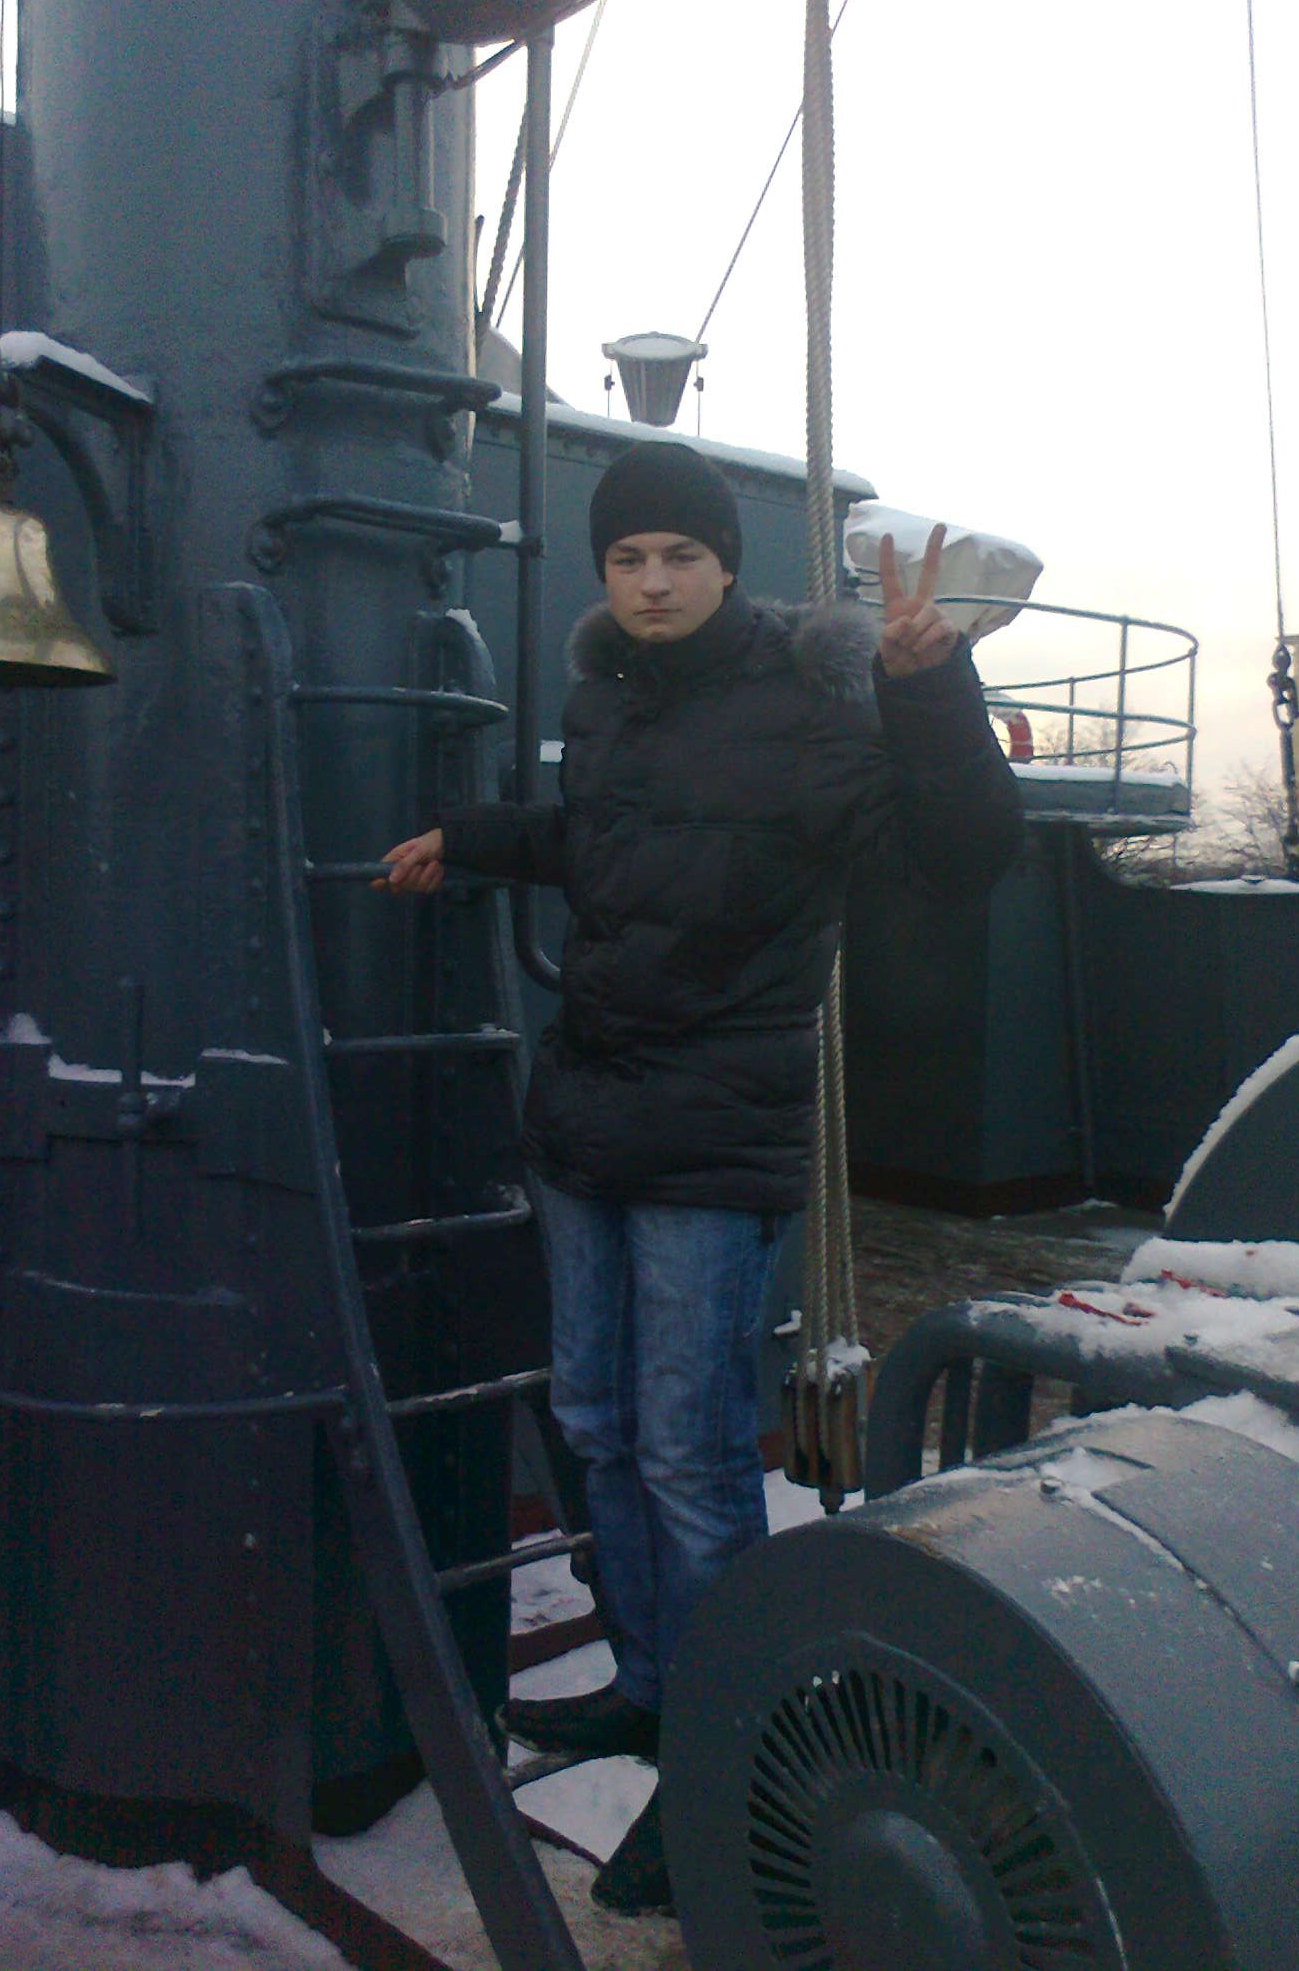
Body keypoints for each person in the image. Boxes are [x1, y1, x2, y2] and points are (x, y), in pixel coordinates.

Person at [378, 441, 1022, 1913]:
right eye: (629, 558)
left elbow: (962, 853)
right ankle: (653, 1684)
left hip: (713, 1135)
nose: (655, 581)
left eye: (681, 555)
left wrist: (932, 687)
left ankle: (722, 1757)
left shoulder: (811, 704)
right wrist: (472, 841)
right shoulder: (611, 696)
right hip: (587, 1119)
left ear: (729, 565)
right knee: (597, 1426)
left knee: (687, 1452)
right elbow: (604, 847)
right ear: (604, 574)